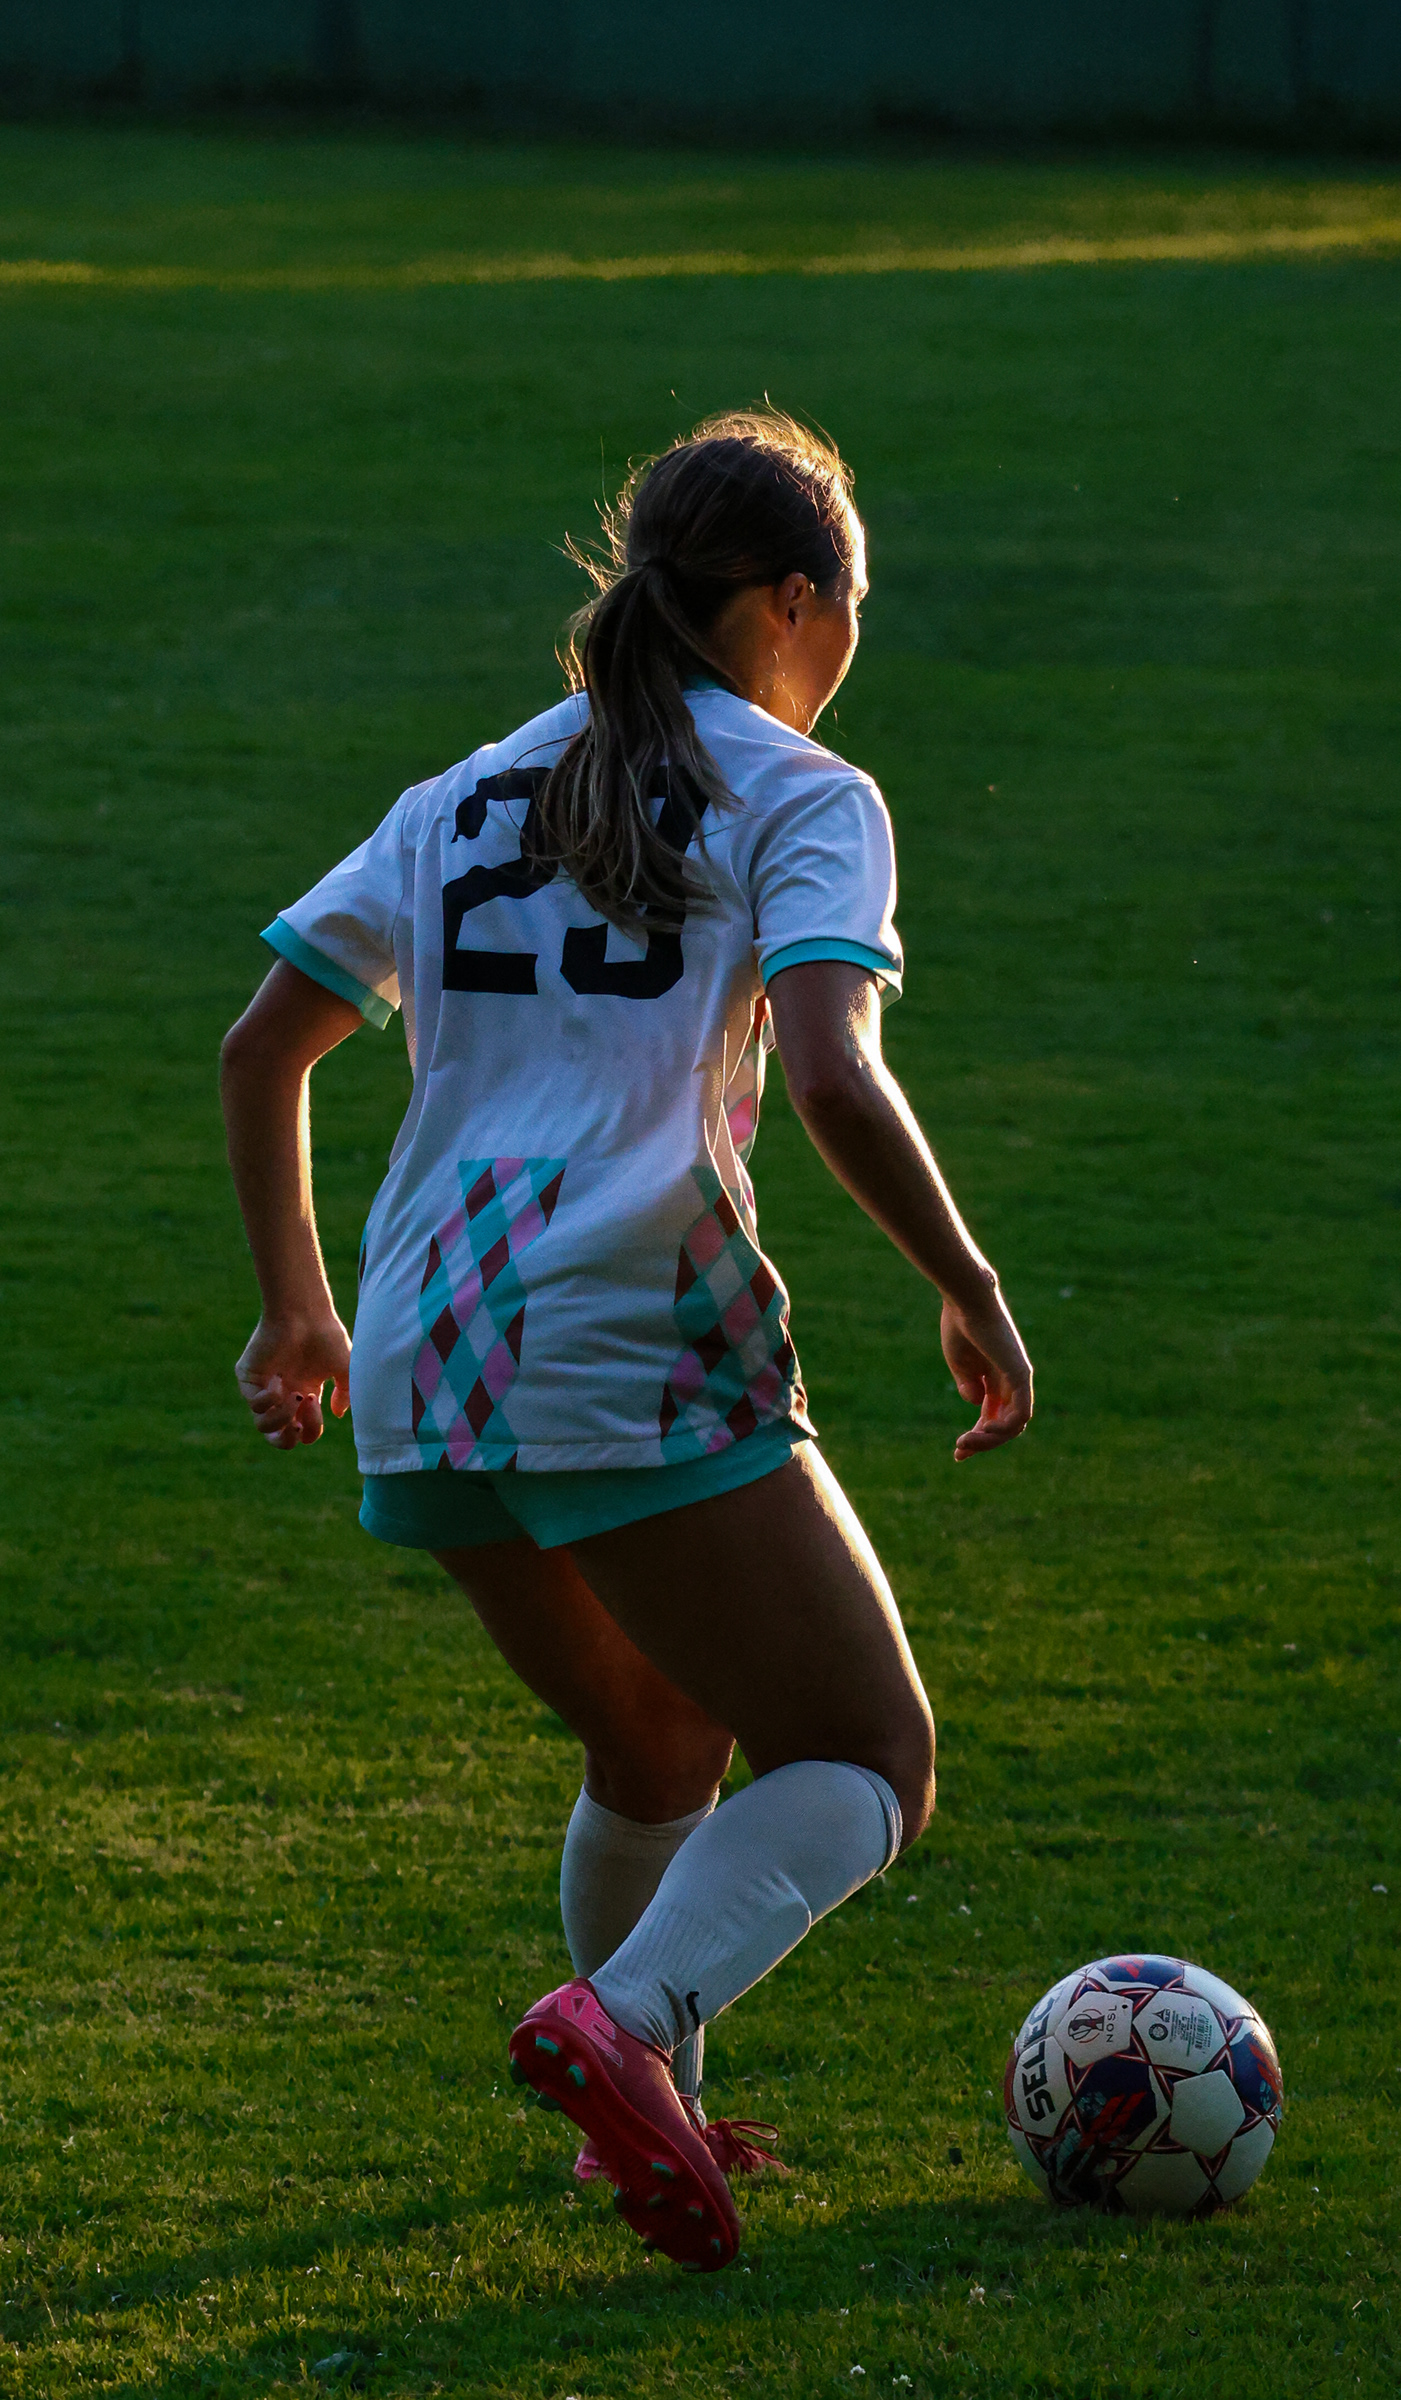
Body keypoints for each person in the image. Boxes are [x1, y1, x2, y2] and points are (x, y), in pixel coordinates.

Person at [219, 410, 1033, 2270]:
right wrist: (968, 1280)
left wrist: (296, 1307)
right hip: (626, 1318)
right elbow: (831, 1072)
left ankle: (631, 2118)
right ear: (800, 602)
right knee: (870, 1757)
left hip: (426, 1339)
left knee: (658, 1737)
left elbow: (264, 1044)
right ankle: (627, 2026)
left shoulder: (466, 791)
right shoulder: (803, 795)